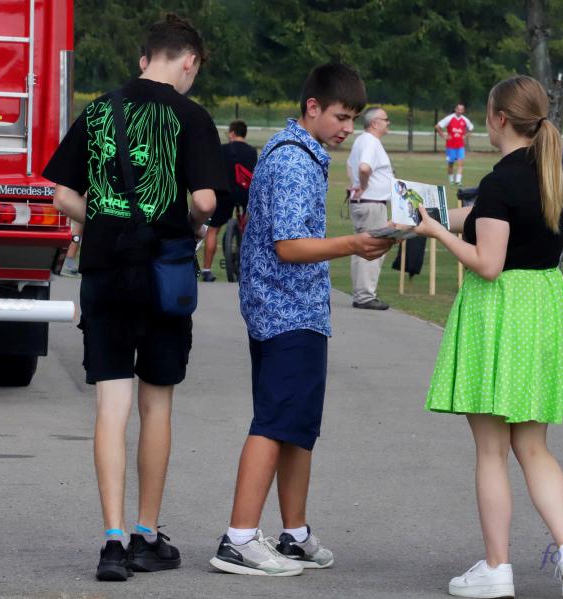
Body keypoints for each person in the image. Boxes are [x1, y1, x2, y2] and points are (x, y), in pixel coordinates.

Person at [44, 14, 226, 582]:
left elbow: (61, 192)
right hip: (163, 273)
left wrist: (104, 220)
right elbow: (205, 202)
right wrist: (189, 225)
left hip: (105, 270)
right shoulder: (192, 116)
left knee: (111, 404)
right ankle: (147, 533)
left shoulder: (101, 110)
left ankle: (112, 541)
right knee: (157, 404)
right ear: (189, 61)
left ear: (145, 57)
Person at [415, 75, 563, 599]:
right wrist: (427, 217)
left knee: (492, 451)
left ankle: (497, 567)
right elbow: (486, 220)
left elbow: (488, 262)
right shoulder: (550, 175)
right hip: (542, 309)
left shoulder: (499, 181)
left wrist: (436, 232)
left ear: (498, 119)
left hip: (500, 313)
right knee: (534, 448)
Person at [209, 63, 393, 577]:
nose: (347, 128)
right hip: (285, 309)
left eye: (353, 119)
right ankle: (239, 538)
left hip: (296, 308)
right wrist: (354, 243)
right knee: (274, 422)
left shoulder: (301, 151)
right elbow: (289, 246)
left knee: (297, 427)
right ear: (312, 107)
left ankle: (294, 534)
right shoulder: (293, 158)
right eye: (341, 116)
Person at [346, 106, 392, 309]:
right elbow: (364, 167)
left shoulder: (361, 140)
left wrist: (355, 184)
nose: (388, 123)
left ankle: (360, 293)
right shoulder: (371, 142)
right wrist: (363, 186)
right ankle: (365, 296)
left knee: (360, 247)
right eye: (385, 119)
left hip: (362, 203)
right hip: (372, 202)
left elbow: (350, 165)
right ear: (375, 123)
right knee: (373, 247)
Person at [201, 119, 257, 282]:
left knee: (213, 230)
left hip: (224, 192)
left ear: (232, 133)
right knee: (250, 228)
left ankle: (206, 271)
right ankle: (250, 266)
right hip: (246, 193)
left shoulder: (223, 149)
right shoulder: (252, 151)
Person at [435, 103, 474, 186]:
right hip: (450, 146)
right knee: (451, 164)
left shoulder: (465, 120)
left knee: (460, 163)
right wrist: (443, 136)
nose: (459, 111)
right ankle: (451, 181)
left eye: (461, 109)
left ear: (463, 111)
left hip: (460, 146)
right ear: (455, 109)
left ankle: (458, 181)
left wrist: (465, 136)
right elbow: (437, 127)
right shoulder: (449, 118)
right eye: (458, 109)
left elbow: (471, 128)